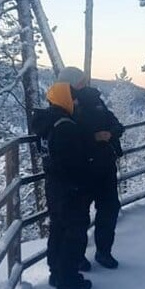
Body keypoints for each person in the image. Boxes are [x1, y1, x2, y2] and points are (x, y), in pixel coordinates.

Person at [58, 66, 124, 270]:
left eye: (83, 80)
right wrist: (93, 138)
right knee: (80, 215)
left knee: (110, 208)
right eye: (79, 81)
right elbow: (67, 137)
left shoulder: (96, 100)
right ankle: (78, 256)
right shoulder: (65, 105)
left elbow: (116, 123)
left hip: (105, 165)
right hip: (82, 168)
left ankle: (104, 251)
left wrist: (111, 133)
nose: (83, 83)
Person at [32, 82, 92, 289]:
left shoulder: (46, 123)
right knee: (74, 230)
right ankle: (68, 278)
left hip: (53, 184)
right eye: (73, 98)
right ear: (64, 99)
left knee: (58, 228)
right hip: (70, 186)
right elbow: (74, 159)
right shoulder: (66, 126)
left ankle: (56, 272)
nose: (76, 102)